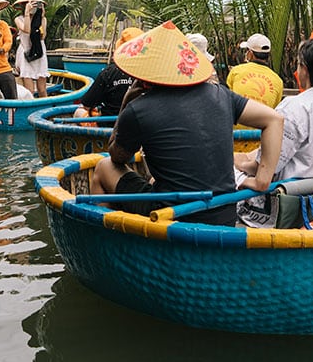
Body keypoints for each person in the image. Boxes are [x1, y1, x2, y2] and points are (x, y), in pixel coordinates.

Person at [90, 22, 284, 226]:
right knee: (155, 180)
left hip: (173, 214)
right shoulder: (221, 95)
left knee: (104, 167)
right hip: (224, 213)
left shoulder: (138, 109)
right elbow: (274, 119)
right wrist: (263, 180)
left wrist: (127, 102)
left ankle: (111, 236)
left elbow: (118, 156)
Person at [236, 37, 313, 227]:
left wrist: (240, 162)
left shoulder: (294, 106)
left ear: (305, 69)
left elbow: (264, 168)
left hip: (283, 209)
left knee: (227, 168)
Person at [73, 27, 141, 117]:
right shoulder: (150, 74)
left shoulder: (108, 73)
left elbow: (87, 105)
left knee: (79, 111)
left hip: (109, 123)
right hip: (143, 123)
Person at [227, 32, 284, 107]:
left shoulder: (236, 71)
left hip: (238, 118)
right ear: (269, 55)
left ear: (250, 53)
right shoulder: (278, 81)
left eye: (247, 50)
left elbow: (228, 97)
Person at [14, 0, 49, 97]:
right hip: (26, 53)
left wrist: (42, 17)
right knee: (29, 90)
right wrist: (27, 14)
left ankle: (44, 108)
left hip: (39, 52)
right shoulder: (19, 19)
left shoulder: (42, 19)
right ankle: (29, 110)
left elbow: (42, 36)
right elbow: (27, 30)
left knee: (42, 89)